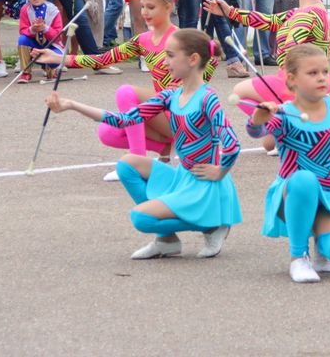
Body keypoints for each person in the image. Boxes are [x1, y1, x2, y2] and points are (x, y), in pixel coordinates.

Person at [45, 28, 242, 260]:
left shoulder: (207, 98)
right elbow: (124, 119)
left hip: (205, 185)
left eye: (170, 55)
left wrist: (221, 172)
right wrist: (71, 105)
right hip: (184, 176)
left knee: (141, 218)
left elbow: (232, 142)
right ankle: (167, 240)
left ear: (193, 59)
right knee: (127, 165)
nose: (164, 61)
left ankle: (211, 226)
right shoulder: (171, 96)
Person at [34, 0, 219, 168]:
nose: (145, 12)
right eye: (143, 7)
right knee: (108, 132)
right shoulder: (142, 40)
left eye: (151, 7)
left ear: (168, 7)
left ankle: (138, 162)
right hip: (162, 111)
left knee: (126, 93)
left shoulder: (181, 39)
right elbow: (102, 60)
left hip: (184, 114)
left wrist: (186, 91)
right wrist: (58, 58)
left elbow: (210, 63)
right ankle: (164, 148)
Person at [247, 45, 330, 283]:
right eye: (312, 73)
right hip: (294, 193)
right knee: (305, 178)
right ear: (292, 79)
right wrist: (258, 117)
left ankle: (322, 242)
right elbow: (257, 132)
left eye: (325, 71)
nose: (321, 78)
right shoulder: (284, 114)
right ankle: (298, 257)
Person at [204, 0, 330, 108]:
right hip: (317, 78)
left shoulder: (305, 15)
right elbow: (271, 21)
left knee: (239, 93)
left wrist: (283, 76)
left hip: (299, 82)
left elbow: (290, 50)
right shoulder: (314, 11)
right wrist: (231, 12)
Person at [17, 0, 63, 83]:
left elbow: (58, 35)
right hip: (35, 46)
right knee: (22, 40)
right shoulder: (25, 10)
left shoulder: (53, 10)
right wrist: (32, 29)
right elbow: (22, 30)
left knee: (54, 63)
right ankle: (26, 72)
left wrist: (45, 28)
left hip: (52, 45)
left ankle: (51, 69)